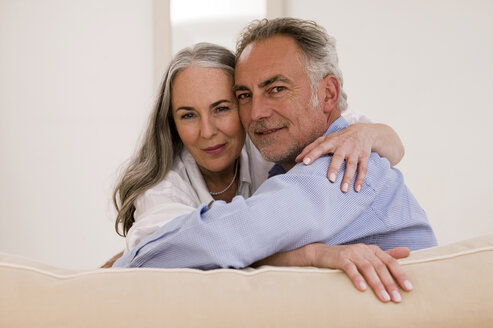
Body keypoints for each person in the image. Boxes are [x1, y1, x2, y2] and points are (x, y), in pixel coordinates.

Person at [112, 27, 431, 304]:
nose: (256, 113)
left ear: (328, 94)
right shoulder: (283, 158)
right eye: (246, 96)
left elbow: (216, 240)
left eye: (276, 89)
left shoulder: (345, 163)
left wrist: (380, 135)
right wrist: (310, 256)